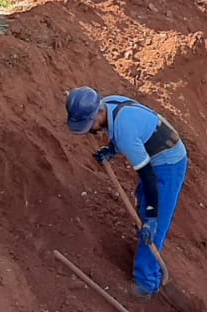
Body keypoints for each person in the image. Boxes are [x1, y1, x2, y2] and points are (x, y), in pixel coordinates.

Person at [66, 87, 189, 298]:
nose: (90, 130)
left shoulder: (125, 134)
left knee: (154, 226)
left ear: (98, 113)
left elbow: (148, 175)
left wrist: (151, 217)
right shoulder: (110, 103)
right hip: (157, 151)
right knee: (144, 203)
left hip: (169, 163)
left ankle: (147, 284)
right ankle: (145, 237)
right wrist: (111, 150)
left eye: (89, 125)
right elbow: (135, 130)